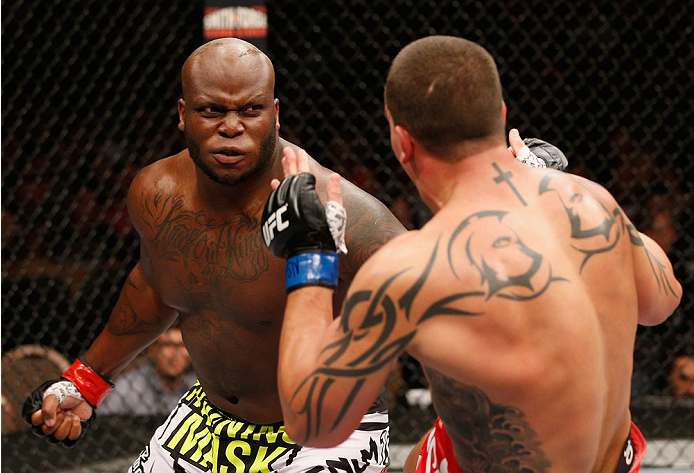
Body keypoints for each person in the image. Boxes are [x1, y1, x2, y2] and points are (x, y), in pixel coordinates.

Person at [262, 36, 682, 473]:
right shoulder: (593, 203)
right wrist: (561, 186)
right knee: (432, 450)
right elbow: (662, 300)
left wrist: (309, 250)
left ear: (402, 142)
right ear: (500, 117)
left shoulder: (409, 270)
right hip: (613, 463)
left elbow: (312, 423)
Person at [23, 38, 406, 473]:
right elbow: (155, 288)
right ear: (184, 114)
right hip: (210, 420)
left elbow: (438, 296)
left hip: (329, 425)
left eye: (249, 111)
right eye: (212, 111)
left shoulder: (339, 209)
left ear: (275, 114)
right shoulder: (157, 194)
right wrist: (85, 382)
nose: (231, 127)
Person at [98, 326, 196, 416]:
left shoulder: (197, 386)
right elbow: (104, 422)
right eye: (168, 345)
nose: (176, 354)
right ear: (153, 350)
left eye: (182, 345)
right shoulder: (130, 386)